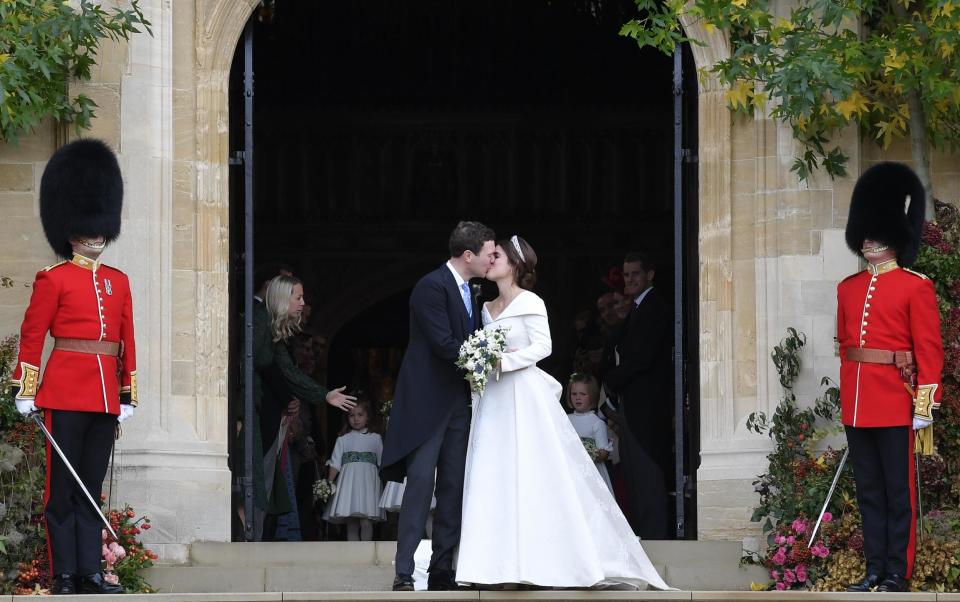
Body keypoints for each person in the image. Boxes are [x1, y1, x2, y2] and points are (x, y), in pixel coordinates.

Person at [455, 236, 670, 590]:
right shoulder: (486, 307)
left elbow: (543, 346)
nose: (489, 260)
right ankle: (493, 565)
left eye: (496, 256)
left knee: (531, 473)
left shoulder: (531, 302)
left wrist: (502, 361)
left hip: (523, 397)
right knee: (494, 472)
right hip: (493, 400)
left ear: (515, 265)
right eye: (489, 256)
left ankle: (541, 560)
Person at [8, 139, 133, 595]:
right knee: (61, 492)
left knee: (90, 489)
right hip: (62, 391)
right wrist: (26, 387)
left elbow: (126, 344)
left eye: (101, 229)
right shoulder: (52, 278)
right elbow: (32, 335)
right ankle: (64, 574)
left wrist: (127, 395)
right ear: (71, 229)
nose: (96, 236)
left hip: (104, 398)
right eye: (88, 229)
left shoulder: (119, 283)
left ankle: (91, 572)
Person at [839, 162, 943, 593]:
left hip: (896, 402)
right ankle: (875, 570)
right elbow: (845, 349)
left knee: (900, 495)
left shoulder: (915, 286)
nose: (866, 239)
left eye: (874, 232)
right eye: (863, 232)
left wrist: (924, 407)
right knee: (870, 493)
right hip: (859, 404)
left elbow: (929, 353)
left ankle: (897, 573)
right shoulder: (848, 287)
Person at [380, 221, 496, 592]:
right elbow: (444, 343)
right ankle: (403, 571)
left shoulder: (471, 290)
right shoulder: (431, 286)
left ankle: (443, 568)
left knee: (453, 486)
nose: (492, 259)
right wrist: (486, 359)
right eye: (488, 253)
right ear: (468, 255)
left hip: (458, 403)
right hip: (428, 403)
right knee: (420, 486)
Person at [256, 275, 356, 540]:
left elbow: (288, 371)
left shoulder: (274, 329)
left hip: (270, 412)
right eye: (298, 297)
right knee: (261, 477)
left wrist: (324, 395)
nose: (303, 303)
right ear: (281, 299)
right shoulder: (260, 323)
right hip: (256, 412)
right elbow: (262, 364)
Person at [601, 251, 673, 539]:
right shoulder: (637, 308)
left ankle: (656, 538)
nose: (629, 280)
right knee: (634, 477)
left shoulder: (655, 307)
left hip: (648, 408)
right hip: (633, 405)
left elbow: (641, 358)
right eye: (626, 274)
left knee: (648, 475)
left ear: (649, 275)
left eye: (635, 274)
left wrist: (610, 380)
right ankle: (644, 536)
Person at [323, 399, 385, 540]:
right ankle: (354, 556)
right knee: (351, 521)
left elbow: (382, 463)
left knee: (366, 520)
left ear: (367, 416)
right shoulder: (343, 439)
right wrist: (329, 482)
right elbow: (335, 463)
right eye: (352, 415)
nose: (356, 419)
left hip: (368, 485)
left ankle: (365, 555)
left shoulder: (375, 438)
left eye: (360, 414)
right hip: (348, 485)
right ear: (347, 418)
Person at [567, 373, 613, 492]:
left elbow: (603, 454)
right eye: (574, 394)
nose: (578, 398)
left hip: (591, 472)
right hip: (570, 470)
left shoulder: (596, 423)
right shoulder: (565, 419)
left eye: (583, 394)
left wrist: (591, 452)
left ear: (592, 396)